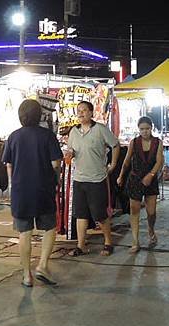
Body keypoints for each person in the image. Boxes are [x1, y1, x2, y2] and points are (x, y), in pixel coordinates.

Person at [2, 100, 63, 287]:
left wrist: (14, 185)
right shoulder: (47, 136)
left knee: (24, 231)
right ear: (40, 115)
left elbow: (9, 165)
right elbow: (56, 163)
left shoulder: (13, 137)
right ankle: (43, 265)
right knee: (49, 227)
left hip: (21, 190)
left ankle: (27, 275)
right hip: (43, 188)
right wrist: (56, 177)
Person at [65, 101, 120, 256]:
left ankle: (108, 242)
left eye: (84, 110)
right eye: (79, 111)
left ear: (91, 113)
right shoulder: (74, 132)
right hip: (79, 179)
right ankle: (80, 245)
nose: (81, 113)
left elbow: (115, 145)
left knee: (100, 214)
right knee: (80, 214)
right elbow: (71, 150)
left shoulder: (101, 130)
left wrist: (113, 164)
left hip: (97, 179)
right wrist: (70, 154)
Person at [117, 117, 164, 253]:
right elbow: (126, 162)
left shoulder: (157, 142)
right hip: (135, 179)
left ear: (151, 128)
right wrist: (120, 175)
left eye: (147, 129)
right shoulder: (134, 142)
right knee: (134, 210)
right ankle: (135, 241)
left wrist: (151, 175)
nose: (145, 132)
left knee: (151, 212)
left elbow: (159, 161)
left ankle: (151, 229)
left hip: (151, 179)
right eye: (142, 129)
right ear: (138, 129)